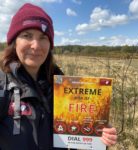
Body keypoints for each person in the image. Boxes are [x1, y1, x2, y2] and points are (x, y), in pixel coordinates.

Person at [0, 3, 117, 150]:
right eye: (27, 35)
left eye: (43, 37)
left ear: (50, 44)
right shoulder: (3, 86)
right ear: (13, 42)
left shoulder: (64, 88)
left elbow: (77, 140)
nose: (36, 45)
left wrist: (99, 136)